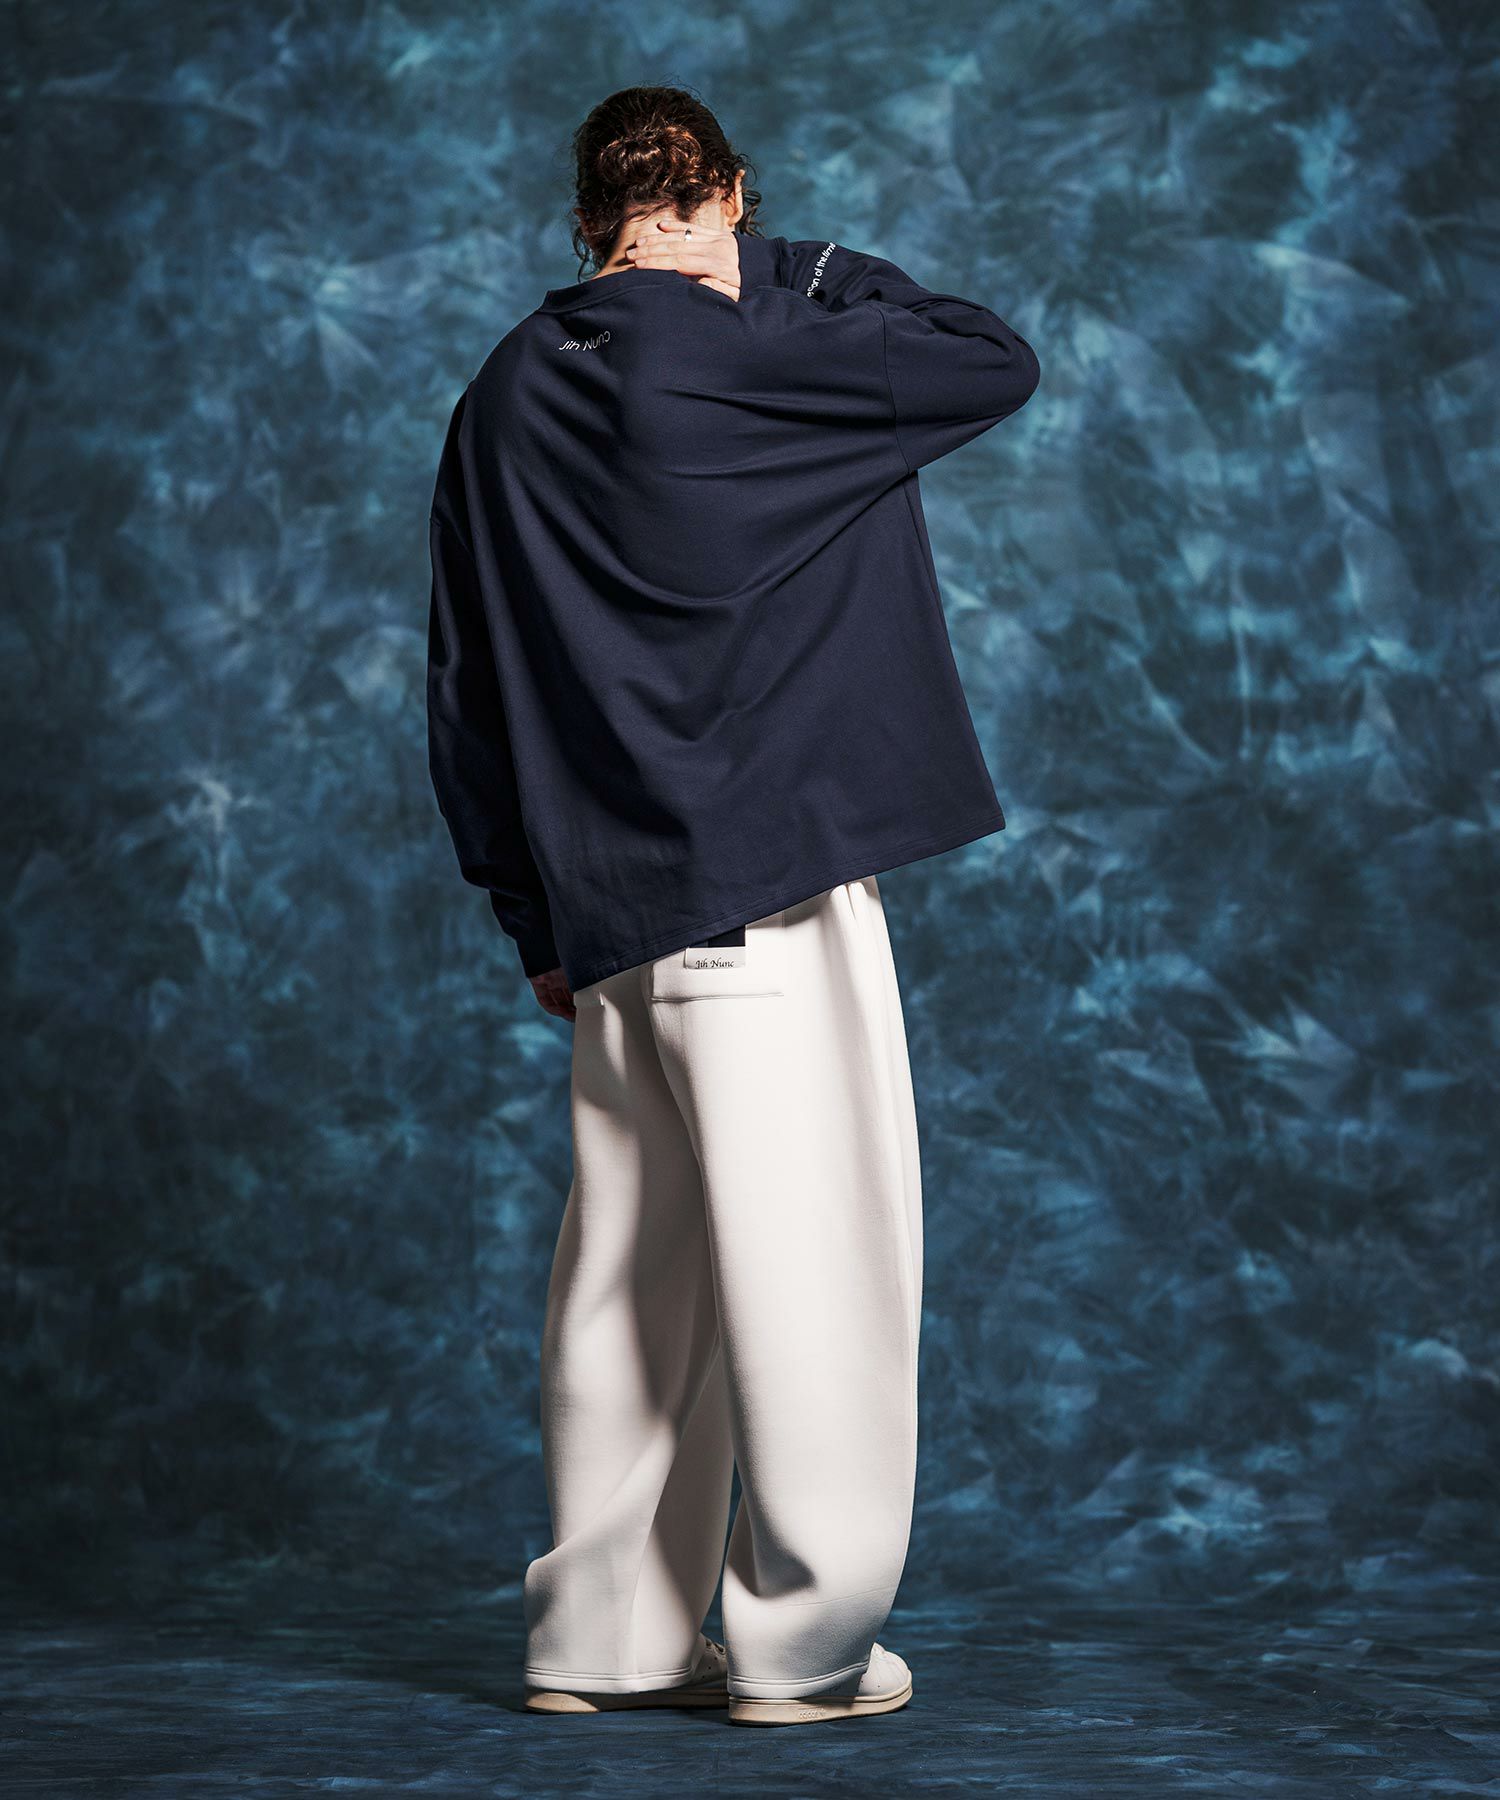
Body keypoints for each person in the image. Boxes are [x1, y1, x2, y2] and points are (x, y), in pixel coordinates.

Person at [425, 85, 1040, 1727]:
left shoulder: (499, 399)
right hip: (770, 895)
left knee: (633, 1287)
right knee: (818, 1279)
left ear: (586, 220)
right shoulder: (771, 343)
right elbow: (990, 357)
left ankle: (601, 1639)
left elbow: (464, 689)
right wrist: (798, 270)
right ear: (732, 197)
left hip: (610, 922)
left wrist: (534, 922)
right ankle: (805, 1655)